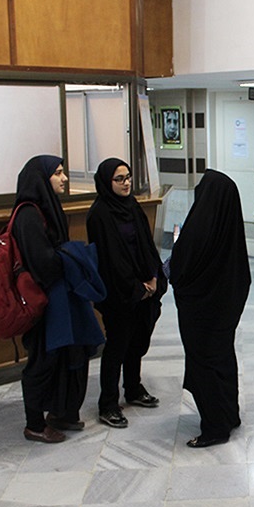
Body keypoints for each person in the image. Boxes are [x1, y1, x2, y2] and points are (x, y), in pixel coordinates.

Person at [11, 155, 92, 443]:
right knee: (42, 362)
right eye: (57, 173)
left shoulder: (46, 208)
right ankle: (34, 424)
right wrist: (72, 255)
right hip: (42, 301)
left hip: (57, 297)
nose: (64, 178)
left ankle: (61, 412)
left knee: (65, 356)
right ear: (41, 179)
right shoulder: (29, 215)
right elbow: (44, 263)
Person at [169, 170, 251, 448]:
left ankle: (215, 428)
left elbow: (181, 266)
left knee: (204, 365)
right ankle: (228, 416)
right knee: (223, 360)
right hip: (224, 310)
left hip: (201, 313)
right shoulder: (229, 230)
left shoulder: (199, 229)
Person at [87, 158, 165, 428]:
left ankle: (133, 388)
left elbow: (146, 246)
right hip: (118, 293)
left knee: (137, 341)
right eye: (119, 179)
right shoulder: (99, 214)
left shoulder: (131, 206)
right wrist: (136, 288)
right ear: (106, 182)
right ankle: (108, 404)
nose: (126, 183)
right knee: (117, 346)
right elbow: (110, 259)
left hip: (144, 286)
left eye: (128, 177)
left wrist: (153, 277)